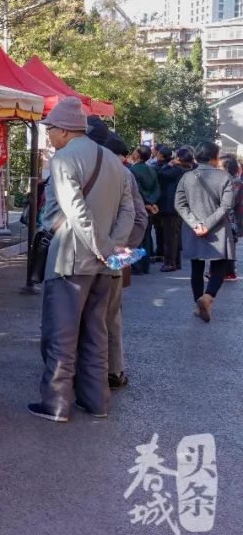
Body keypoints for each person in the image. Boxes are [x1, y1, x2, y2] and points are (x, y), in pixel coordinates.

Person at [28, 97, 134, 423]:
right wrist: (113, 248)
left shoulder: (63, 160)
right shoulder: (115, 162)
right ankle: (96, 401)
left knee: (61, 336)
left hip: (71, 259)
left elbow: (75, 213)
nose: (48, 135)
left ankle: (57, 404)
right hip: (105, 266)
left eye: (50, 129)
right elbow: (128, 210)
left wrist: (100, 246)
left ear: (64, 130)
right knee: (96, 336)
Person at [97, 132, 148, 391]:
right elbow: (140, 218)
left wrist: (120, 250)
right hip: (114, 255)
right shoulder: (123, 172)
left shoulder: (115, 172)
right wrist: (124, 250)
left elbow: (138, 216)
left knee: (96, 316)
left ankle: (99, 373)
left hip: (95, 257)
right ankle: (113, 371)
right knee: (111, 315)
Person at [175, 141, 237, 322]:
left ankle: (198, 303)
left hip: (193, 229)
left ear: (196, 157)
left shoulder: (186, 177)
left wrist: (196, 224)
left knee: (196, 267)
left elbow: (179, 204)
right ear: (214, 157)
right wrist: (208, 224)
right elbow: (226, 206)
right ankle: (208, 297)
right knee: (220, 265)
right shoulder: (225, 177)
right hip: (218, 228)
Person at [157, 146, 193, 271]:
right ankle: (175, 261)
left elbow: (161, 174)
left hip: (171, 206)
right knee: (175, 235)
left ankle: (170, 262)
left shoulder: (177, 169)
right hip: (179, 206)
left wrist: (169, 164)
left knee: (170, 236)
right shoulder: (189, 169)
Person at [128, 145, 160, 275]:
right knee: (147, 236)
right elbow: (156, 188)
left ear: (138, 155)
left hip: (138, 206)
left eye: (135, 151)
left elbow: (137, 190)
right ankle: (145, 264)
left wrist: (146, 202)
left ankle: (138, 265)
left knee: (136, 237)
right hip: (150, 207)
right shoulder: (151, 170)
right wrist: (152, 202)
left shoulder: (133, 170)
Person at [220, 154, 242, 281]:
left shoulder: (236, 182)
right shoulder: (229, 180)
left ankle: (229, 272)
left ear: (227, 167)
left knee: (229, 243)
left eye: (220, 166)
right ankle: (222, 271)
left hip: (232, 218)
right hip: (227, 216)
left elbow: (232, 202)